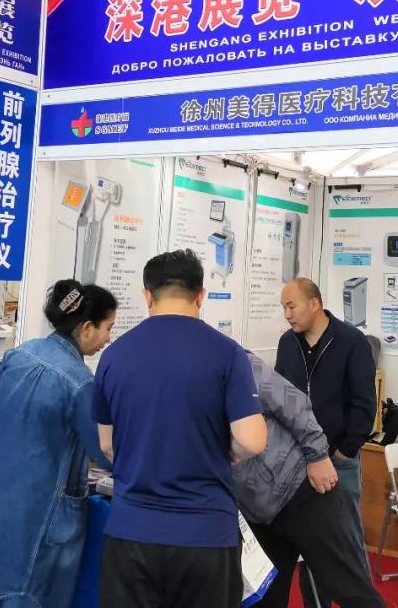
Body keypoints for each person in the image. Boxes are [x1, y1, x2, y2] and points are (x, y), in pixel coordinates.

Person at [93, 249, 267, 608]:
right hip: (205, 534)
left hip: (131, 532)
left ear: (147, 295)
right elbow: (252, 440)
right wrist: (227, 450)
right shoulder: (228, 353)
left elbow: (107, 446)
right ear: (201, 295)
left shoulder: (114, 355)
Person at [0, 280, 116, 608]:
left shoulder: (19, 354)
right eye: (108, 328)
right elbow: (104, 451)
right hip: (37, 517)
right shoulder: (80, 383)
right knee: (27, 591)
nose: (108, 339)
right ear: (86, 328)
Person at [234, 351, 385, 608]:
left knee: (349, 589)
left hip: (299, 489)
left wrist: (317, 455)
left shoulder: (238, 362)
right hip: (254, 511)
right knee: (264, 597)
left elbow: (293, 403)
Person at [275, 277, 376, 596]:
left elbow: (364, 401)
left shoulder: (351, 341)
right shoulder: (287, 343)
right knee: (307, 544)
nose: (287, 315)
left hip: (337, 460)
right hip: (295, 460)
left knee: (345, 544)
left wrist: (347, 449)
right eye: (284, 308)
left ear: (314, 304)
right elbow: (278, 395)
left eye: (291, 306)